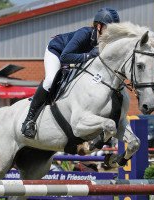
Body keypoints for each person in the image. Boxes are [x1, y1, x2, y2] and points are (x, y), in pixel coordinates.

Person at [21, 8, 120, 139]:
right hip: (57, 51)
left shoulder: (105, 42)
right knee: (50, 79)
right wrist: (89, 55)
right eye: (109, 28)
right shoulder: (84, 33)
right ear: (99, 26)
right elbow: (65, 57)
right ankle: (29, 120)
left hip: (73, 59)